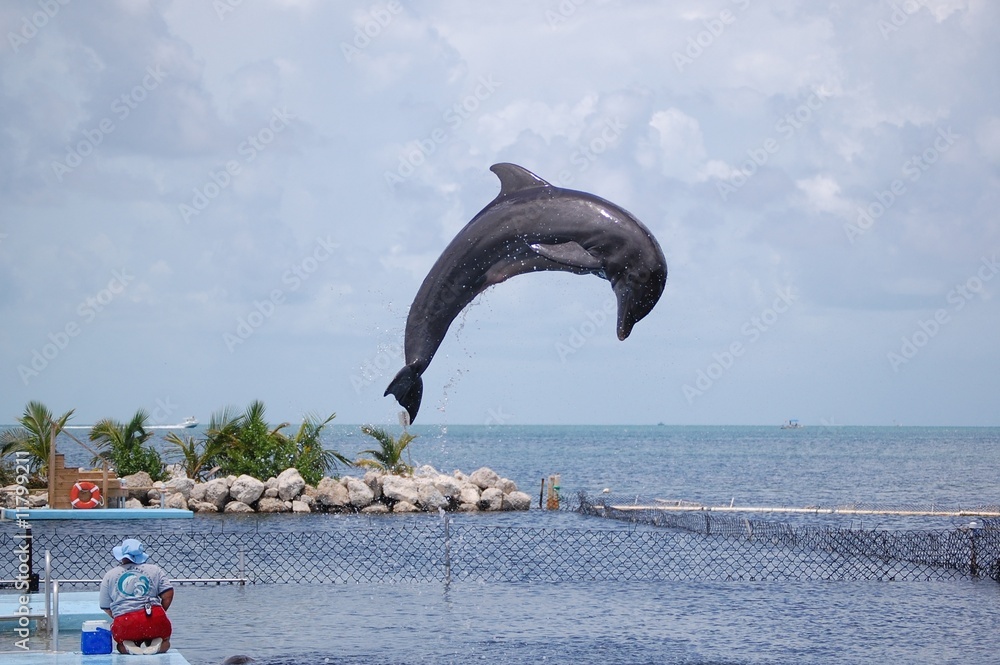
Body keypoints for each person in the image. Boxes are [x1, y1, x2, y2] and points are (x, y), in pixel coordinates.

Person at [98, 538, 174, 654]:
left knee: (121, 645)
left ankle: (128, 646)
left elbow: (105, 606)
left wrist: (121, 616)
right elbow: (168, 594)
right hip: (153, 615)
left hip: (125, 620)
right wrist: (160, 612)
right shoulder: (155, 570)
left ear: (122, 556)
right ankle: (157, 644)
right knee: (165, 641)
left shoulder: (110, 575)